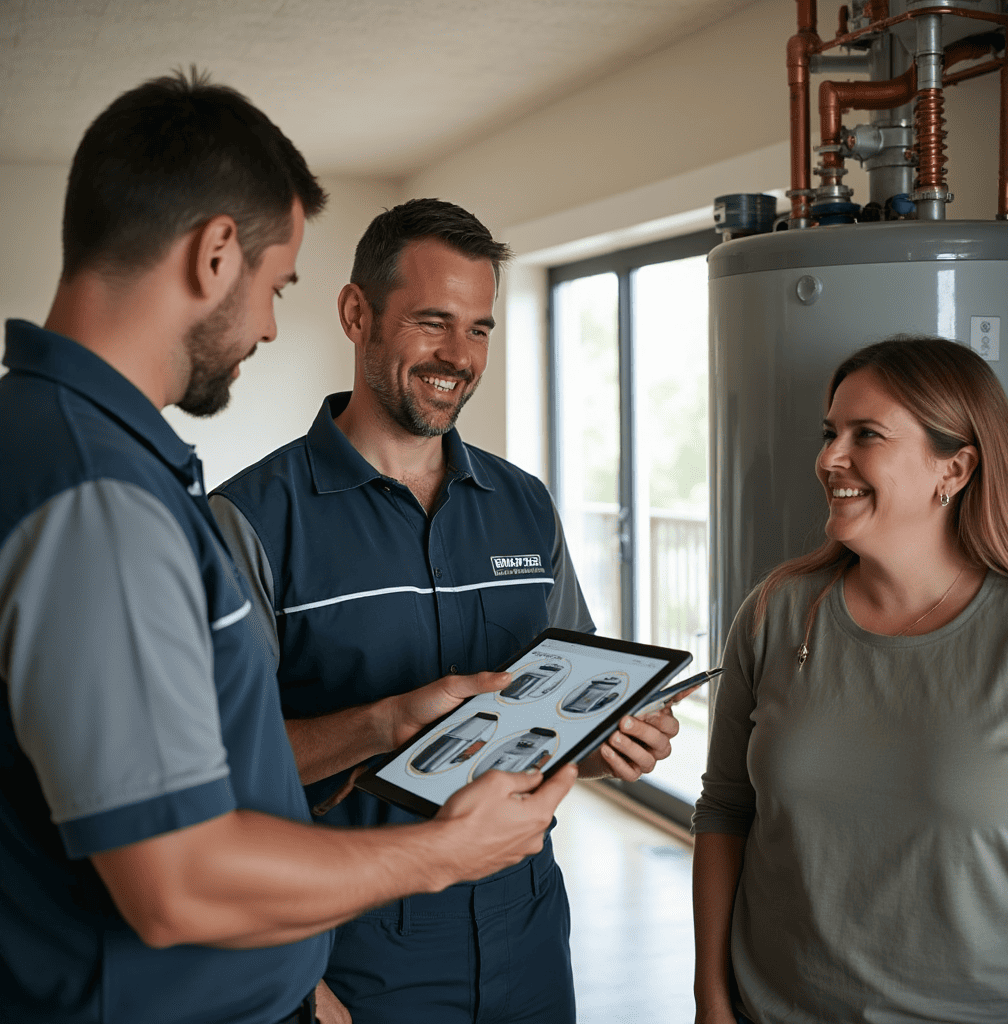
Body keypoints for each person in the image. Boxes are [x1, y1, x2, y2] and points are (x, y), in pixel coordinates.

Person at [0, 74, 578, 1024]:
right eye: (276, 287)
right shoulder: (99, 491)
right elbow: (176, 881)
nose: (270, 325)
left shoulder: (67, 445)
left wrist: (396, 725)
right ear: (215, 253)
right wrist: (438, 854)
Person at [210, 197, 682, 1023]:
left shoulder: (525, 506)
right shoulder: (249, 521)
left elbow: (562, 724)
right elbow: (212, 777)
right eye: (433, 322)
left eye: (480, 329)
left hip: (529, 927)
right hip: (349, 944)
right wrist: (384, 722)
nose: (458, 357)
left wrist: (614, 743)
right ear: (358, 314)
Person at [691, 335, 1008, 1024]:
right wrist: (712, 999)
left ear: (954, 469)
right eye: (829, 432)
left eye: (865, 434)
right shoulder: (777, 612)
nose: (828, 459)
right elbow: (725, 810)